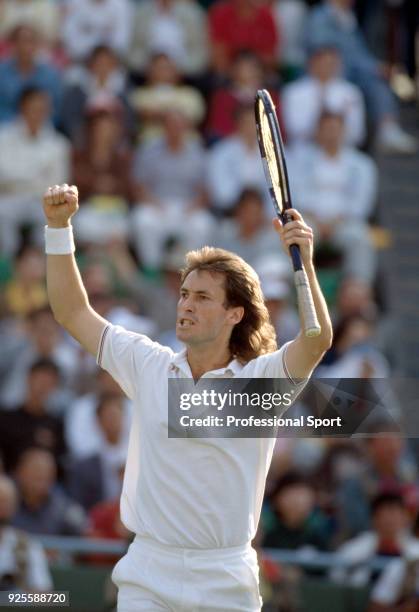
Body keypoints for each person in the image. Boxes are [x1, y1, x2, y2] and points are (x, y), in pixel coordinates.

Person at [42, 183, 332, 611]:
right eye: (183, 294)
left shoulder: (260, 382)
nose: (186, 305)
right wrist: (59, 227)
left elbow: (316, 340)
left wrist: (303, 264)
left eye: (202, 297)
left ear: (235, 314)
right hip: (147, 572)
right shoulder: (148, 364)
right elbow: (72, 312)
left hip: (226, 578)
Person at [0, 475, 52, 591]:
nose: (2, 507)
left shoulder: (28, 545)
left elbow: (47, 596)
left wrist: (12, 598)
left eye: (6, 501)